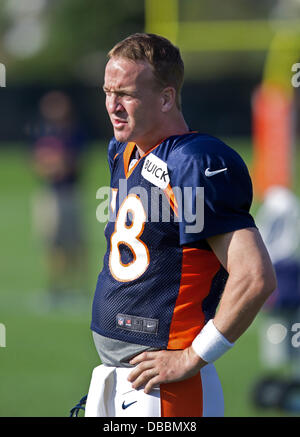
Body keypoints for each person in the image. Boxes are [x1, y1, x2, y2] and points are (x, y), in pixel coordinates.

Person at [84, 33, 276, 417]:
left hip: (165, 388)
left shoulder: (193, 162)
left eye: (125, 94)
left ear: (167, 98)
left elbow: (255, 277)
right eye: (107, 92)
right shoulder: (124, 150)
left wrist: (193, 357)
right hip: (118, 378)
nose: (112, 106)